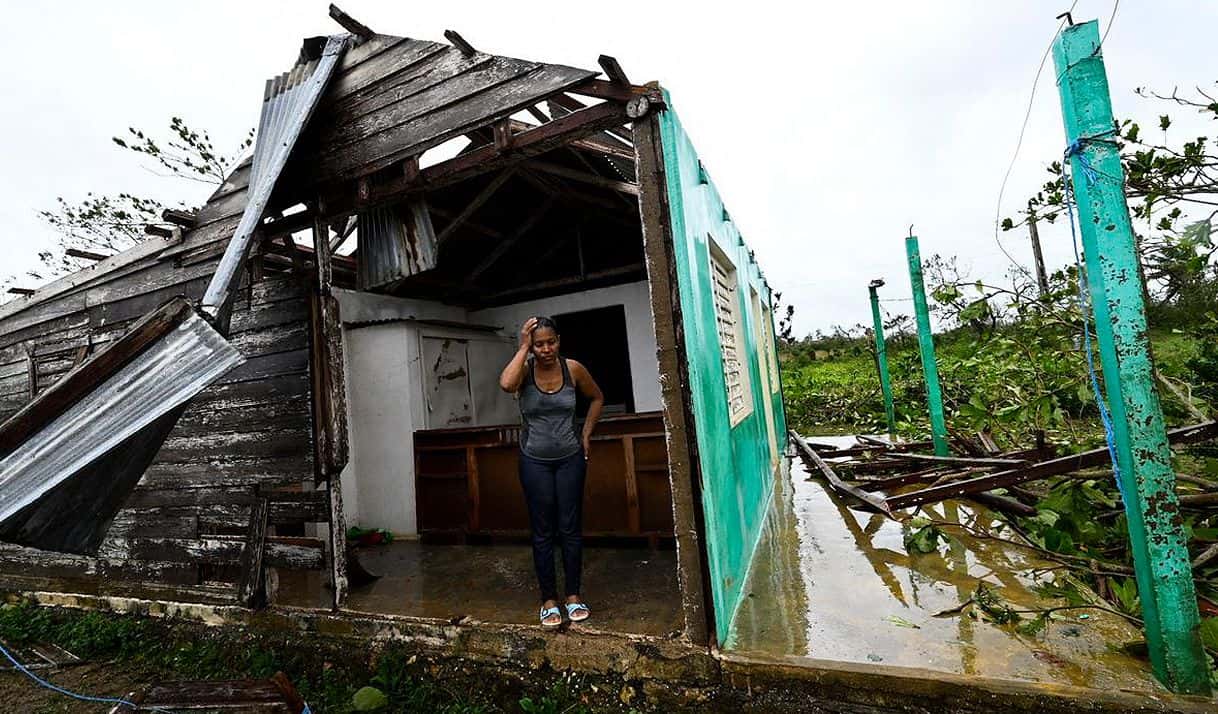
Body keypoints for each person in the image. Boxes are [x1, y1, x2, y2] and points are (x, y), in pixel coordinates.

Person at [498, 316, 604, 629]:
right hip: (534, 461)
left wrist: (586, 433)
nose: (546, 349)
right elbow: (506, 384)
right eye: (539, 344)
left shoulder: (574, 369)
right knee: (543, 530)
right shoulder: (524, 371)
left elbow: (597, 398)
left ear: (559, 341)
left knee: (570, 528)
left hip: (570, 458)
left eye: (551, 342)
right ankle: (548, 600)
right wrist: (522, 348)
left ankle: (573, 596)